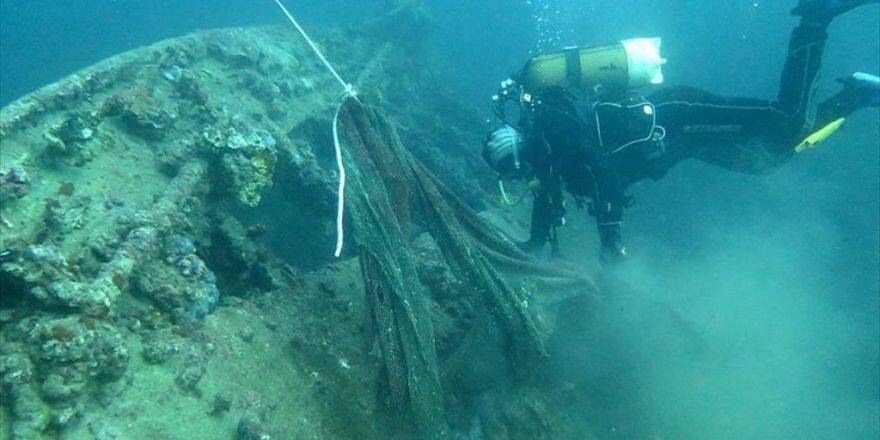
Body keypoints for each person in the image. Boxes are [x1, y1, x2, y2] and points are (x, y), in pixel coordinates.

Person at [483, 0, 880, 264]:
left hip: (675, 114)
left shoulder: (555, 130)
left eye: (517, 171)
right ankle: (856, 96)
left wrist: (610, 243)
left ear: (519, 155)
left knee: (784, 121)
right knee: (764, 160)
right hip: (680, 143)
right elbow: (548, 202)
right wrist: (532, 246)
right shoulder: (548, 157)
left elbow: (603, 175)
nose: (524, 179)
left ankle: (815, 18)